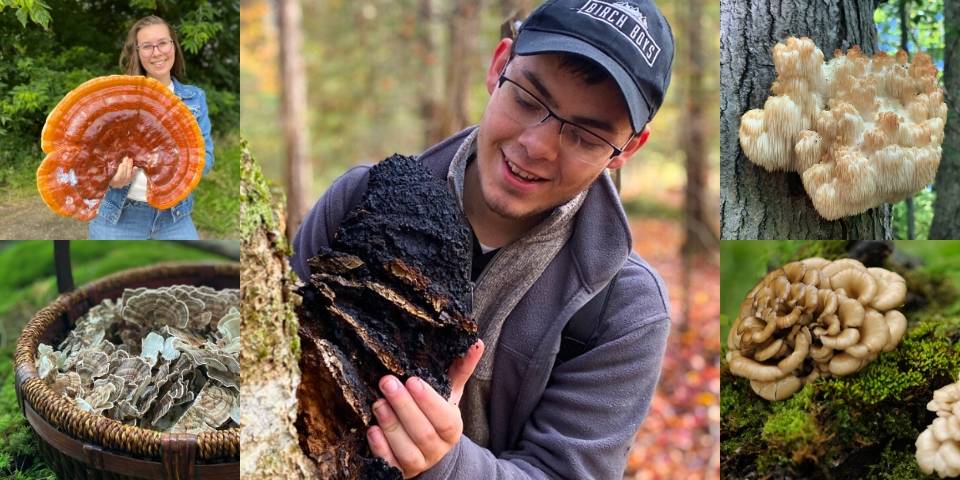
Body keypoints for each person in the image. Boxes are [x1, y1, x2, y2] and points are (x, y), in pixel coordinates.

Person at [292, 0, 673, 477]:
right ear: (499, 67)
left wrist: (447, 465)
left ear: (628, 149)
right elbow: (273, 365)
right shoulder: (359, 201)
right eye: (528, 100)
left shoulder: (625, 309)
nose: (536, 147)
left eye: (585, 136)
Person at [88, 15, 214, 239]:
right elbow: (91, 156)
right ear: (137, 51)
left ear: (173, 45)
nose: (157, 52)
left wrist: (176, 168)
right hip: (119, 217)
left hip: (174, 216)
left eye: (163, 43)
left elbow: (207, 156)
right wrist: (111, 177)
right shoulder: (119, 96)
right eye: (147, 46)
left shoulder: (194, 99)